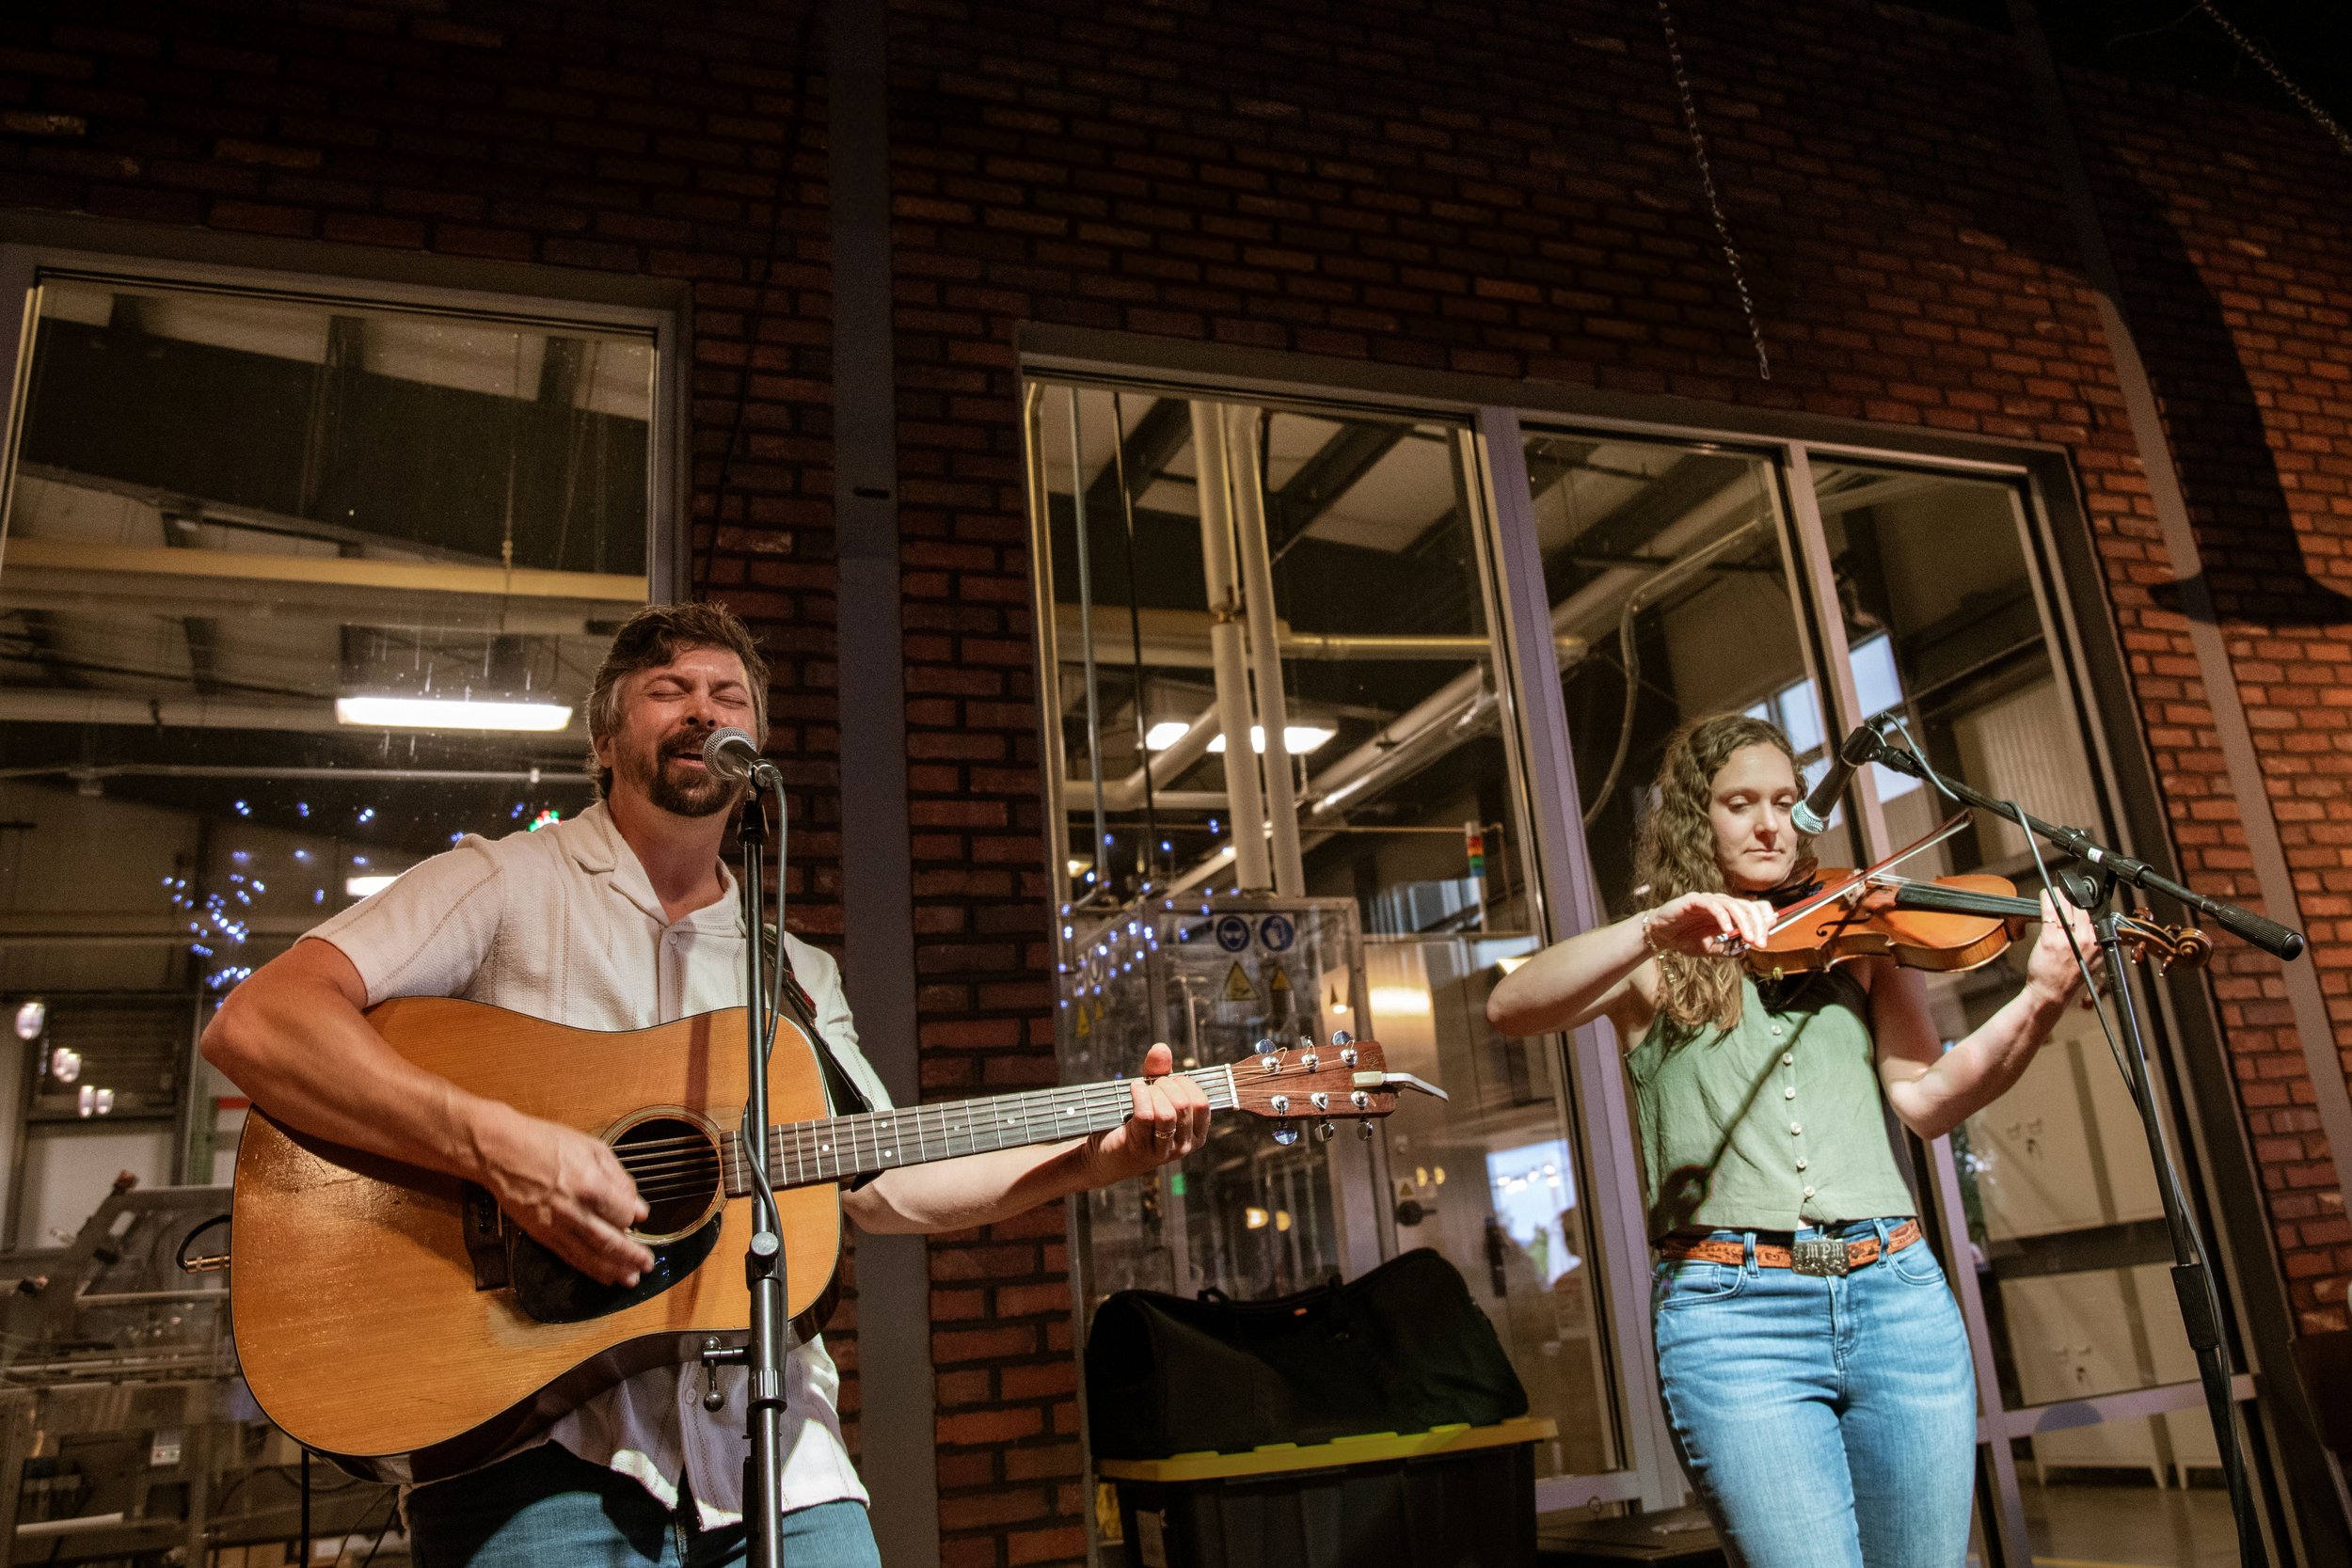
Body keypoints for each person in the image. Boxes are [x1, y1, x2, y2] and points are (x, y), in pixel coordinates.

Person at [202, 602, 1210, 1568]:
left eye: (729, 696)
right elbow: (259, 1022)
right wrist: (497, 1146)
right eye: (667, 688)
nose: (702, 709)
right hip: (530, 1460)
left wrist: (1095, 1157)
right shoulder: (504, 883)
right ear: (605, 740)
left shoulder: (794, 974)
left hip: (781, 1465)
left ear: (753, 748)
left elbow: (883, 1180)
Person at [1486, 713, 2100, 1568]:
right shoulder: (1654, 960)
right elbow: (1512, 1007)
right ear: (1695, 817)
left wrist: (2037, 1001)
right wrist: (1655, 926)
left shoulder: (1858, 937)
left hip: (1896, 1294)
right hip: (1737, 1317)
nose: (1771, 824)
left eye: (1785, 801)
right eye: (1741, 803)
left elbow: (1928, 1101)